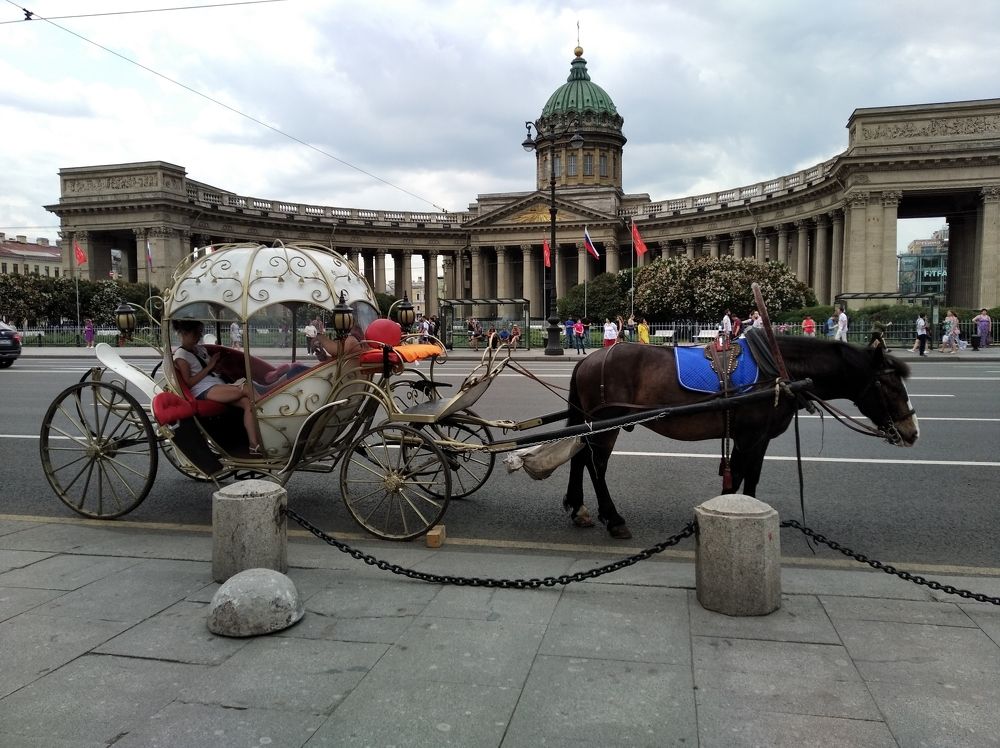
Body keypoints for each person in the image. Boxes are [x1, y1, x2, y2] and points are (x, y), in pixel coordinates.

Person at [171, 319, 262, 457]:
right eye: (195, 333)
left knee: (247, 402)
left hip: (216, 383)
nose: (198, 337)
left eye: (200, 333)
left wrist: (216, 367)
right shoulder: (181, 356)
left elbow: (211, 370)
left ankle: (253, 444)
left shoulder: (200, 349)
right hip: (203, 389)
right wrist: (209, 366)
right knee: (246, 388)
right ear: (184, 333)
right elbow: (189, 382)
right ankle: (269, 412)